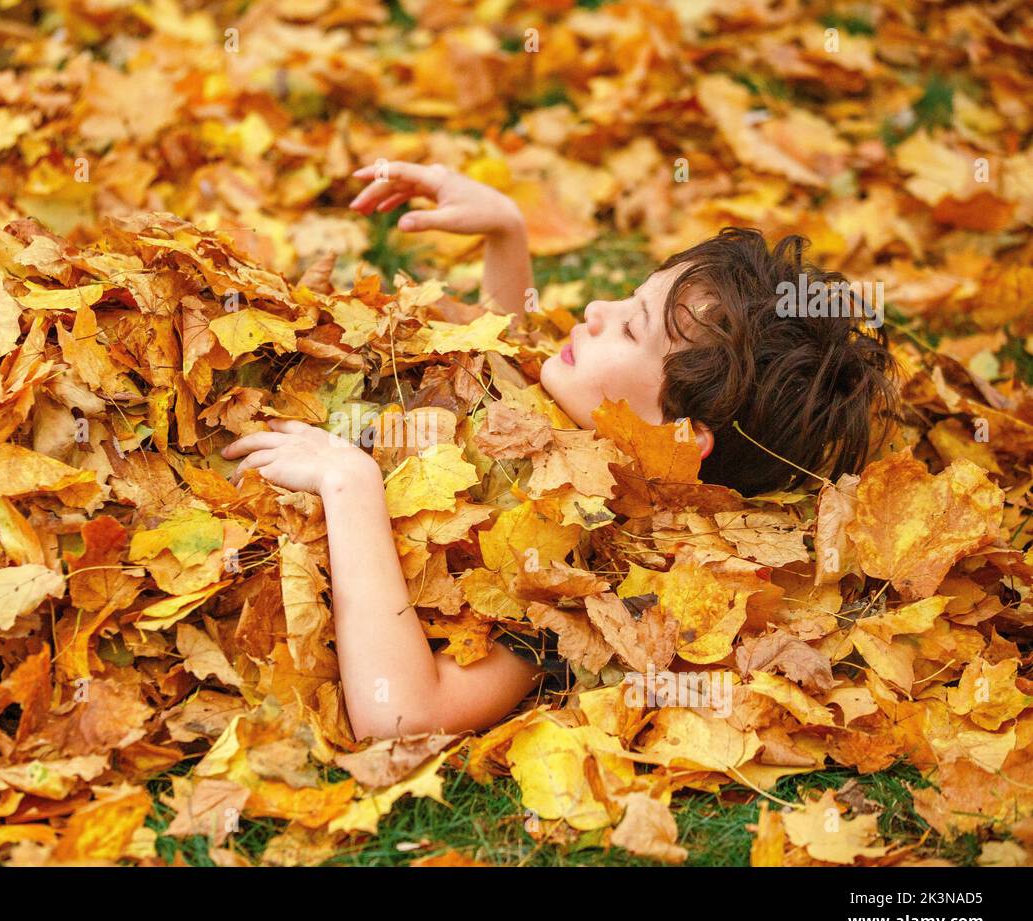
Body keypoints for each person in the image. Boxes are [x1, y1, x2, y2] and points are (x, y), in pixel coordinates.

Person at [221, 162, 898, 740]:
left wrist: (350, 487)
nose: (597, 308)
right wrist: (504, 228)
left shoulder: (575, 562)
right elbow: (509, 356)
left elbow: (401, 714)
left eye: (631, 328)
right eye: (631, 297)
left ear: (680, 440)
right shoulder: (578, 421)